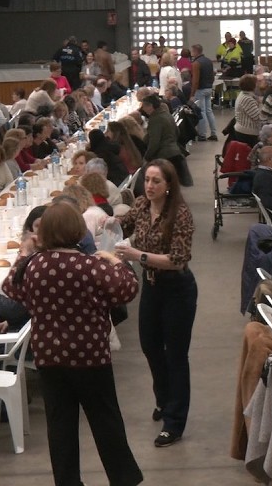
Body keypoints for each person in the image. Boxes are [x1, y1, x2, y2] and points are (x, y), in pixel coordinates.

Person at [3, 201, 142, 485]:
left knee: (60, 427)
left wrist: (25, 252)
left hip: (49, 357)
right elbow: (128, 289)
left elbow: (10, 289)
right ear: (77, 230)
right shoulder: (91, 265)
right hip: (90, 356)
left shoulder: (33, 266)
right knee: (106, 421)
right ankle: (123, 479)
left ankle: (68, 482)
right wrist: (116, 261)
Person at [114, 159, 197, 448]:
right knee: (150, 346)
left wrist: (137, 255)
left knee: (176, 355)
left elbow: (177, 260)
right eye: (147, 180)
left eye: (156, 181)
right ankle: (164, 399)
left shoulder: (180, 214)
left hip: (177, 289)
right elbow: (123, 224)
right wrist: (108, 220)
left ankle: (174, 422)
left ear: (169, 185)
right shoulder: (140, 205)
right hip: (151, 286)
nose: (149, 186)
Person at [138, 93, 190, 187]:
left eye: (144, 106)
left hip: (164, 155)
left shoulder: (155, 119)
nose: (143, 109)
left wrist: (147, 157)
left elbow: (154, 143)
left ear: (150, 106)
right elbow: (177, 132)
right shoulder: (166, 114)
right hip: (174, 152)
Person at [232, 74, 264, 146]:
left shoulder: (244, 94)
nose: (258, 85)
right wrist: (261, 105)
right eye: (257, 83)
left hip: (242, 130)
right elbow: (258, 117)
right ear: (252, 85)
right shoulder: (247, 99)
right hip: (248, 132)